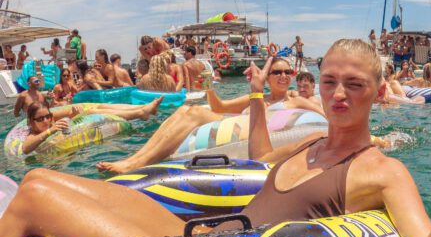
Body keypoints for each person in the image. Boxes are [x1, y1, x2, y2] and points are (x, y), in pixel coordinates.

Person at [0, 39, 431, 237]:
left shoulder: (380, 170)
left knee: (34, 197)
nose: (337, 94)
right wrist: (255, 97)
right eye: (329, 80)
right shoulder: (307, 145)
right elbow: (258, 160)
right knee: (42, 176)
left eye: (354, 85)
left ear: (378, 93)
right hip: (197, 233)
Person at [96, 56, 324, 174]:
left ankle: (137, 163)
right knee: (185, 110)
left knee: (193, 112)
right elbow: (219, 106)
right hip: (234, 125)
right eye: (277, 72)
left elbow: (326, 119)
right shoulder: (258, 98)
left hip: (253, 131)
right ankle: (134, 159)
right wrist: (207, 86)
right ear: (267, 75)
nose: (283, 76)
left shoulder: (295, 100)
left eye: (288, 72)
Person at [20, 98, 164, 156]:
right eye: (40, 118)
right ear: (32, 122)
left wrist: (74, 115)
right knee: (93, 111)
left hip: (76, 149)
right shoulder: (33, 133)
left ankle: (142, 109)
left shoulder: (53, 119)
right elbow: (26, 149)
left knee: (98, 107)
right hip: (58, 161)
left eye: (48, 116)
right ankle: (141, 112)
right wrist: (50, 130)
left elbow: (71, 116)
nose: (46, 120)